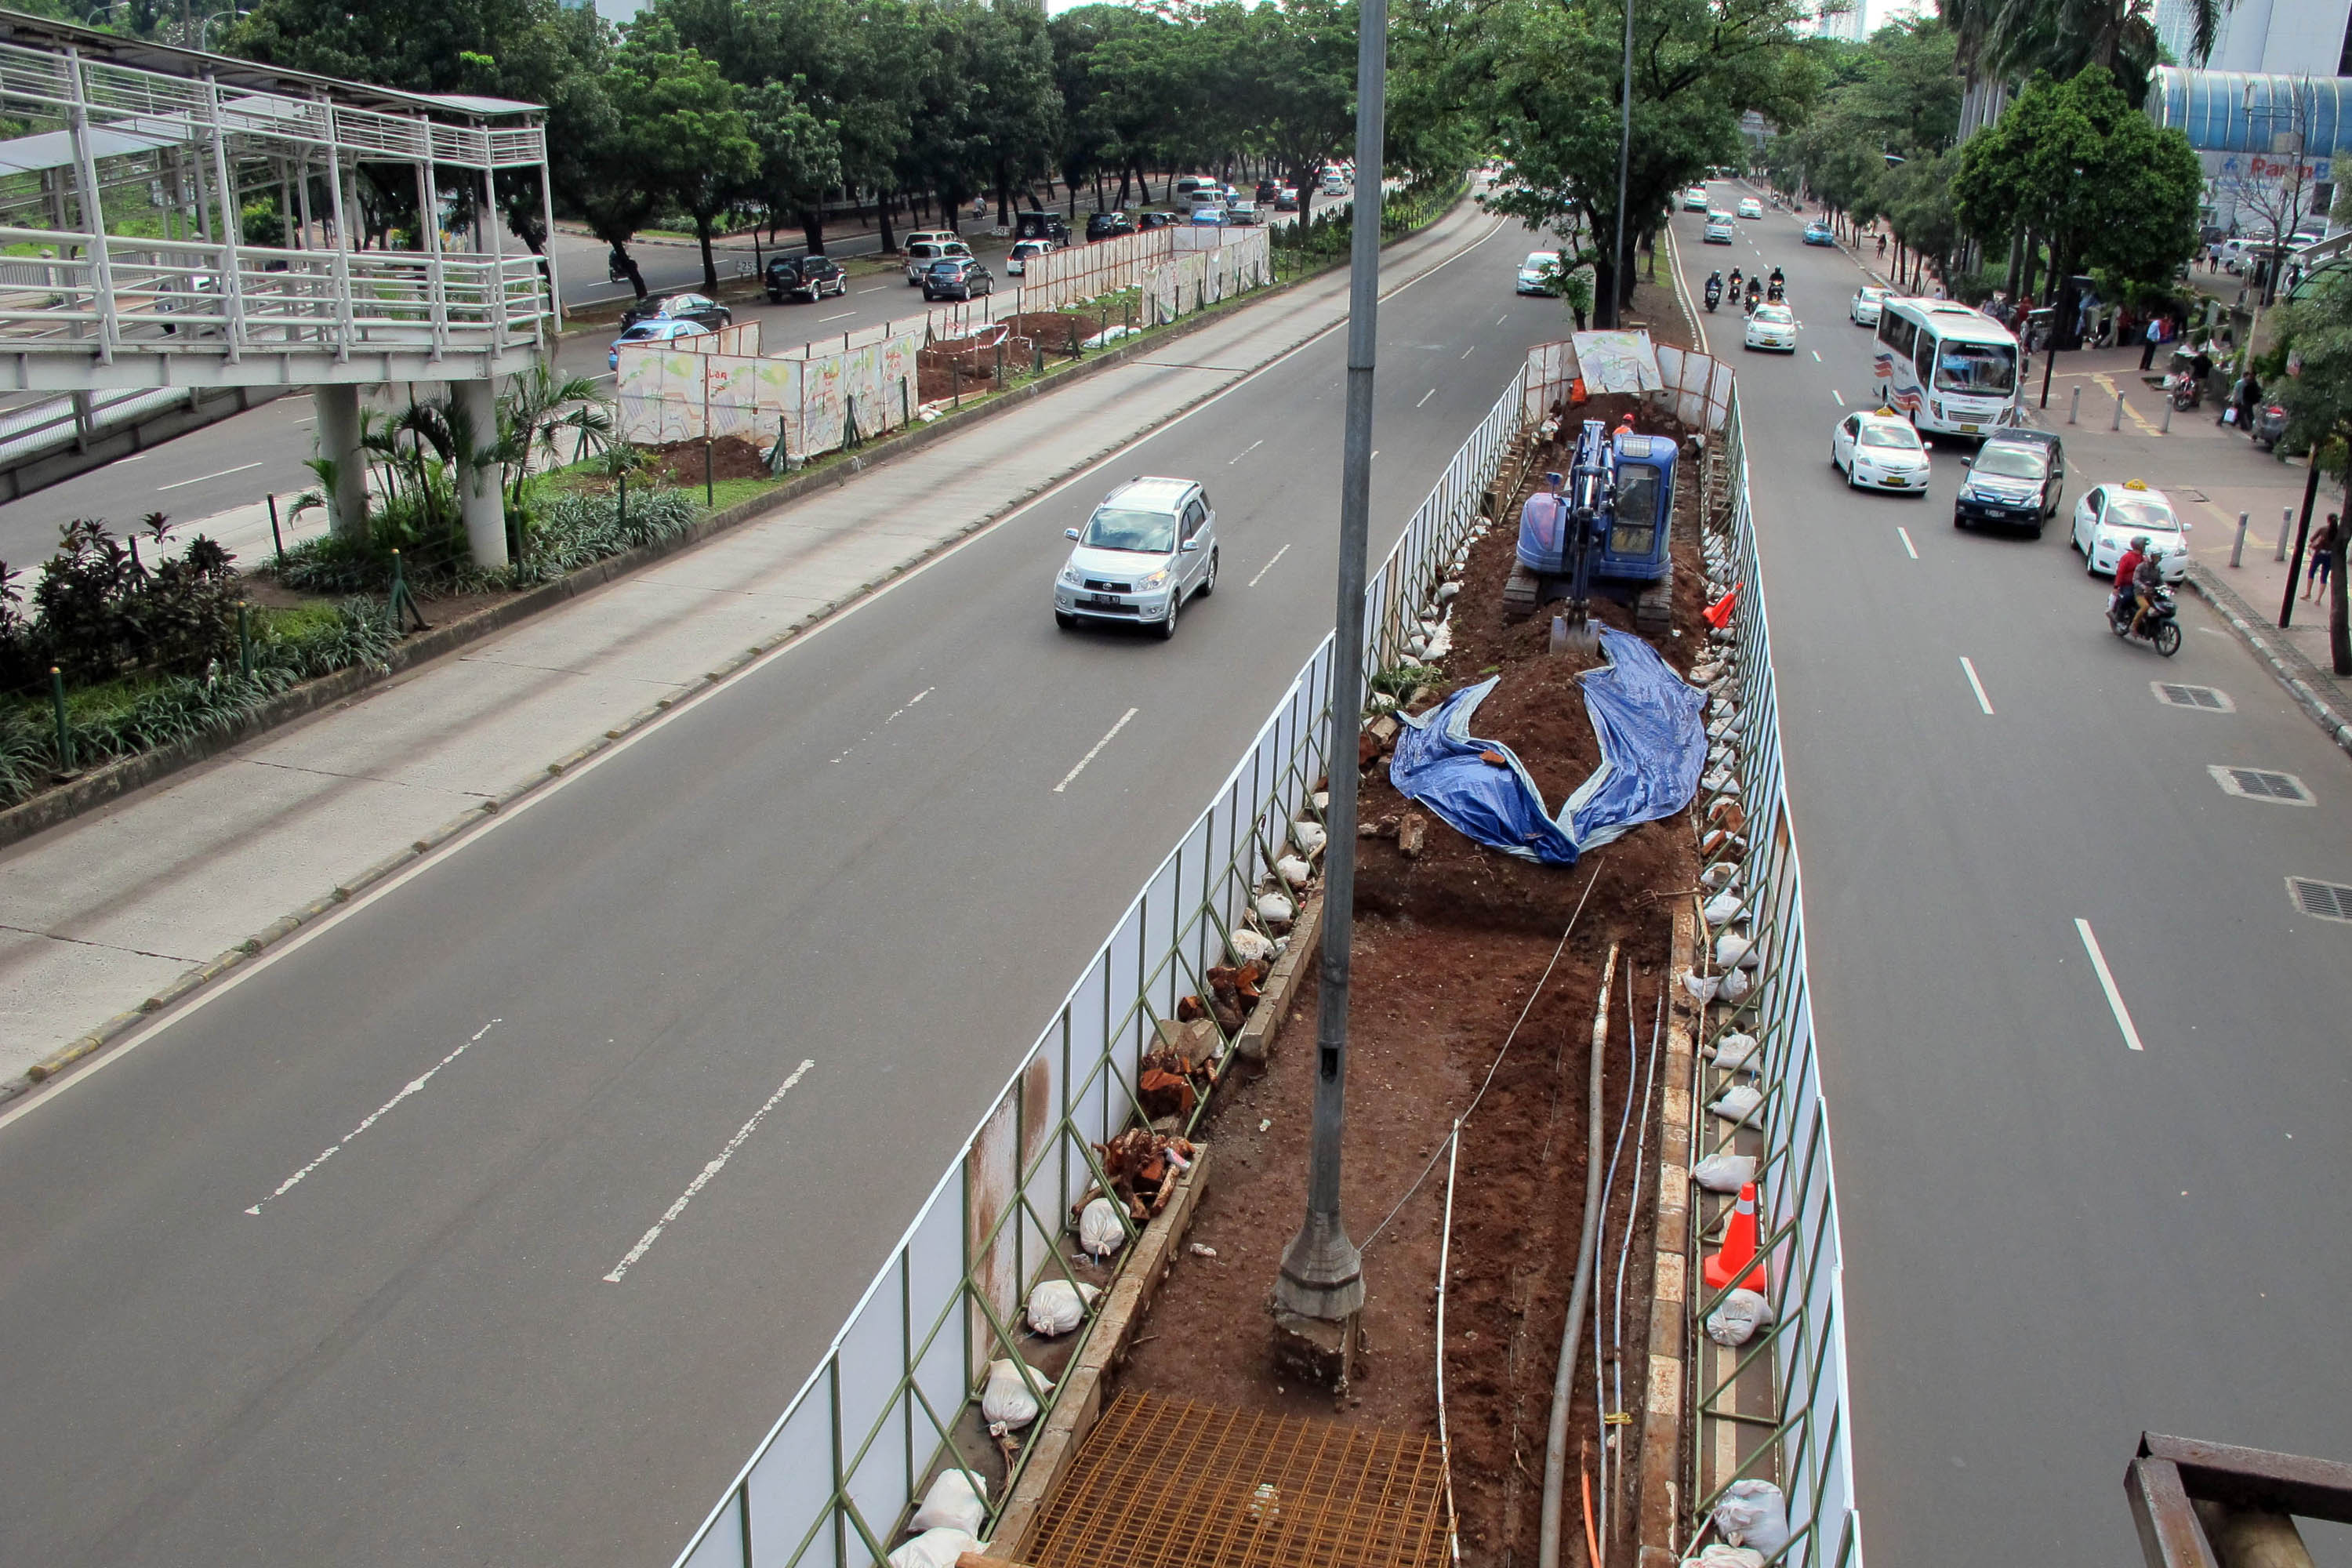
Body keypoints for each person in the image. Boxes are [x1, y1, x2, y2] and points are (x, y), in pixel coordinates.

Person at [2112, 535, 2149, 626]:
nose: (2145, 548)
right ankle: (2119, 617)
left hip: (2139, 584)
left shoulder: (2143, 559)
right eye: (2144, 545)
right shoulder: (2127, 557)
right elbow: (2120, 572)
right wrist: (2116, 587)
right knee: (2128, 597)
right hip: (2127, 584)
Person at [2130, 546, 2165, 637]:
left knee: (2161, 608)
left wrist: (2166, 587)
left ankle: (2152, 626)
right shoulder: (2140, 567)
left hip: (2151, 594)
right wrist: (2143, 586)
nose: (2158, 559)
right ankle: (2133, 626)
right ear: (2150, 557)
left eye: (2159, 557)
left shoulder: (2157, 569)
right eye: (2156, 557)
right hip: (2140, 593)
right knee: (2145, 607)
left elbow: (2159, 581)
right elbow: (2135, 580)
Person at [2307, 514, 2340, 600]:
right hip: (2330, 556)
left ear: (2328, 520)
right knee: (2324, 576)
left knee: (2312, 572)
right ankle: (2318, 599)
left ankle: (2308, 593)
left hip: (2319, 554)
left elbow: (2312, 539)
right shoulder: (2338, 532)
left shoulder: (2323, 529)